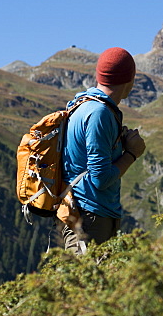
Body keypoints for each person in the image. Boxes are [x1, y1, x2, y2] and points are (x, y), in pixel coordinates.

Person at [57, 46, 146, 253]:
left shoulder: (84, 104)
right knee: (89, 283)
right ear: (129, 80)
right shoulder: (99, 113)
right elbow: (101, 178)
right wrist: (132, 153)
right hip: (90, 218)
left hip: (87, 213)